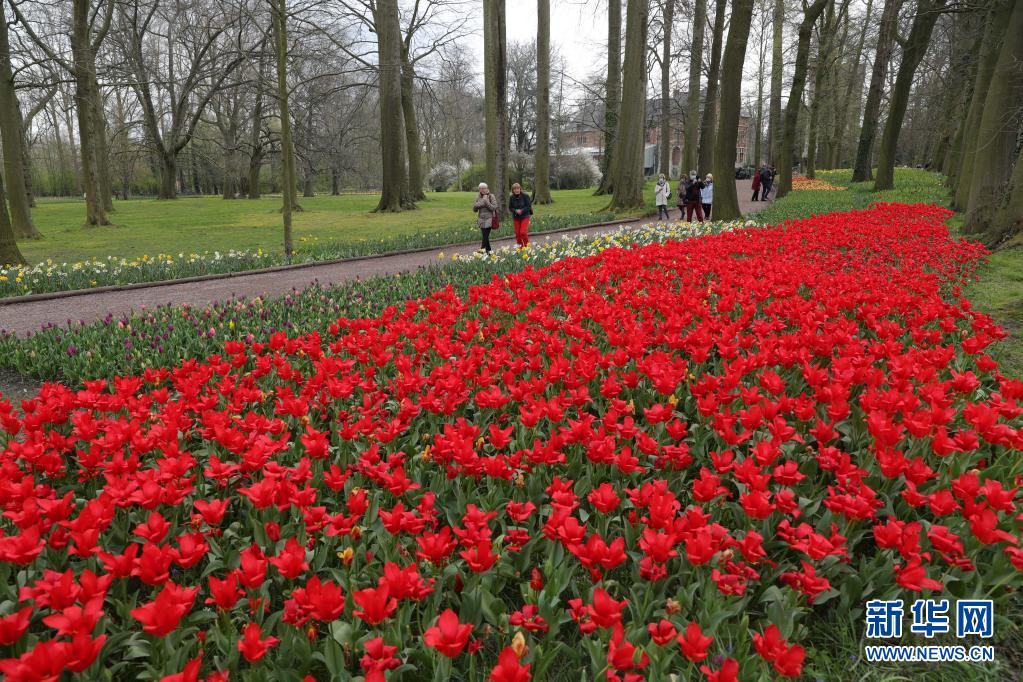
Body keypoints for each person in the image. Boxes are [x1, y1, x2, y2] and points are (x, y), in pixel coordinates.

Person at [473, 182, 498, 253]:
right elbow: (474, 209)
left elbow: (494, 207)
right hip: (481, 219)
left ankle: (481, 250)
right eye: (480, 188)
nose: (482, 190)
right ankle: (489, 252)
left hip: (489, 219)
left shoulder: (491, 196)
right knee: (485, 236)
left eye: (484, 188)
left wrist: (486, 201)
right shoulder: (478, 197)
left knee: (485, 236)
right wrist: (480, 203)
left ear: (487, 189)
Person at [508, 182, 533, 248]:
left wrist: (521, 210)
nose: (516, 190)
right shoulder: (511, 197)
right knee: (517, 233)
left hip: (525, 216)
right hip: (516, 217)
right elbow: (510, 207)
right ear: (512, 190)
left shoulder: (525, 196)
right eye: (515, 189)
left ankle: (527, 246)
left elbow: (528, 206)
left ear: (520, 189)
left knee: (522, 232)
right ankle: (520, 247)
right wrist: (515, 211)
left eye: (518, 188)